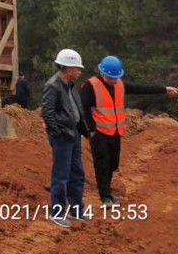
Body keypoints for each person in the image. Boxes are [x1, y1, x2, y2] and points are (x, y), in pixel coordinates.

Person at [80, 55, 178, 206]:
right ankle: (105, 196)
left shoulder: (119, 84)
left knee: (113, 163)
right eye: (111, 78)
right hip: (99, 133)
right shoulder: (90, 86)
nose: (114, 81)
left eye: (116, 78)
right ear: (102, 73)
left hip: (115, 131)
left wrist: (164, 89)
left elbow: (140, 88)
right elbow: (83, 109)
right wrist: (90, 129)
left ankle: (108, 192)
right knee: (102, 164)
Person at [41, 48, 91, 228]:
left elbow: (75, 110)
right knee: (61, 175)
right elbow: (47, 113)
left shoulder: (70, 85)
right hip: (63, 136)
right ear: (69, 68)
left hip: (73, 134)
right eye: (78, 68)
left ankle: (76, 209)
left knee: (77, 173)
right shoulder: (53, 86)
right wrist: (57, 133)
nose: (80, 71)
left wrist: (82, 130)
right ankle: (57, 212)